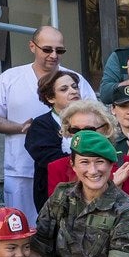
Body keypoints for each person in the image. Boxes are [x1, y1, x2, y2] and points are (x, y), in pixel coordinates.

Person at [0, 27, 97, 216]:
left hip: (73, 174)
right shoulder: (10, 77)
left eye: (59, 51)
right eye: (47, 49)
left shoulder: (75, 80)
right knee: (23, 226)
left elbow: (95, 116)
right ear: (32, 46)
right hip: (21, 170)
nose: (53, 55)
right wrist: (20, 128)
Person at [23, 69, 83, 210]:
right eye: (64, 89)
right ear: (50, 98)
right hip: (55, 198)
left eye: (74, 87)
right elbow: (50, 160)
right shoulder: (40, 126)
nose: (73, 91)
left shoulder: (93, 119)